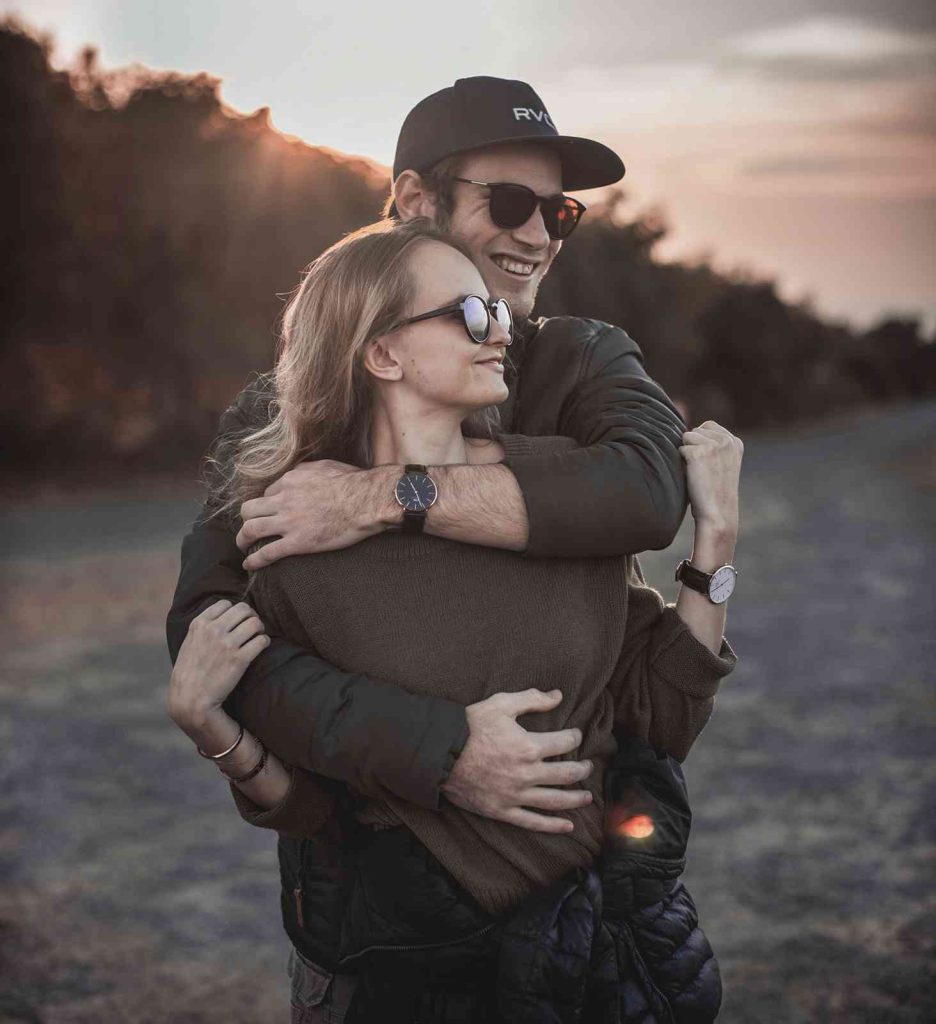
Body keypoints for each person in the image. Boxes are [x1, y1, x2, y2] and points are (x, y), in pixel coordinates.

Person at [167, 217, 742, 1021]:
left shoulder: (561, 497)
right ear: (382, 354)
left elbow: (662, 722)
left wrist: (716, 545)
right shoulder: (291, 547)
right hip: (418, 975)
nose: (499, 331)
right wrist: (213, 730)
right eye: (471, 315)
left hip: (601, 967)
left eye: (497, 312)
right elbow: (322, 817)